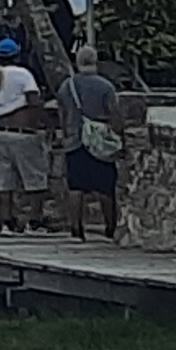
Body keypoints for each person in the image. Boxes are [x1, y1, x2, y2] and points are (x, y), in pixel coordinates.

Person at [0, 36, 52, 233]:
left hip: (0, 134)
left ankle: (6, 222)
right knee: (35, 179)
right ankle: (34, 222)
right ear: (17, 54)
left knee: (4, 181)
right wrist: (43, 124)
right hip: (23, 132)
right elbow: (33, 100)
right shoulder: (23, 74)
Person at [57, 45, 124, 241]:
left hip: (74, 140)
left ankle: (76, 228)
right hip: (99, 142)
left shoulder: (66, 86)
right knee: (105, 187)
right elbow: (114, 114)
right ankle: (110, 227)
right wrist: (120, 138)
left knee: (76, 187)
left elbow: (62, 114)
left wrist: (65, 134)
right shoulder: (106, 86)